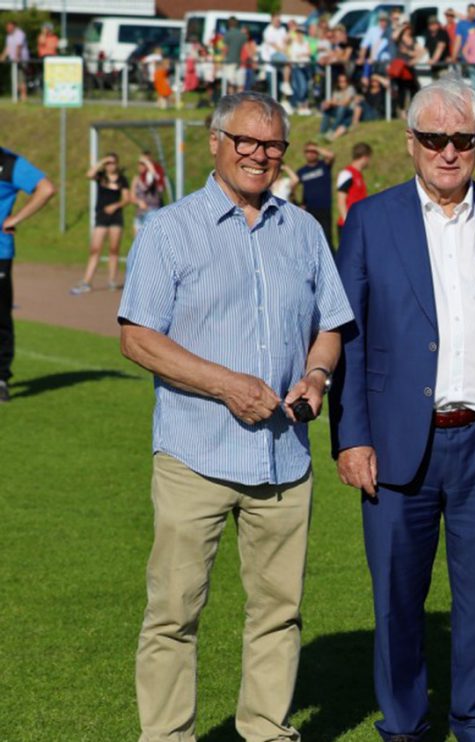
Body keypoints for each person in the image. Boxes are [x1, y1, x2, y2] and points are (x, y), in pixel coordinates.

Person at [120, 91, 353, 742]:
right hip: (195, 454)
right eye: (247, 141)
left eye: (273, 144)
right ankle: (166, 736)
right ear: (215, 140)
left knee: (279, 613)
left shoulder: (303, 230)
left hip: (283, 460)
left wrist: (316, 374)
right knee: (173, 614)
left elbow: (330, 326)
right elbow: (138, 337)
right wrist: (227, 386)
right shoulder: (169, 228)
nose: (260, 155)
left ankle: (267, 731)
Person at [330, 75, 475, 742]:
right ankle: (404, 727)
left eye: (462, 140)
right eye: (434, 139)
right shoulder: (370, 218)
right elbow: (348, 335)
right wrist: (350, 437)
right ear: (411, 142)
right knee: (396, 603)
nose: (448, 152)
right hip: (397, 446)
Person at [0, 146, 55, 402]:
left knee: (0, 316)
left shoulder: (9, 163)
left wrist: (15, 219)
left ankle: (1, 378)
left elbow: (46, 188)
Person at [72, 154, 130, 295]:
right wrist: (102, 161)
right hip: (102, 217)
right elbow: (89, 174)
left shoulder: (122, 179)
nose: (111, 165)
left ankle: (112, 280)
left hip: (116, 217)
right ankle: (87, 281)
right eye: (109, 163)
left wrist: (115, 206)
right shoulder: (101, 176)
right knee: (95, 249)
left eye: (113, 163)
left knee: (113, 249)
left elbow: (127, 198)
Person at [295, 142, 336, 244]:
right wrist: (297, 203)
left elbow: (331, 155)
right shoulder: (301, 171)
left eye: (313, 151)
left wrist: (316, 148)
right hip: (309, 210)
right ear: (304, 154)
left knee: (327, 240)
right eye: (308, 151)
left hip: (324, 208)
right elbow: (291, 186)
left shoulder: (324, 166)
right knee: (311, 240)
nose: (311, 154)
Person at [336, 141, 371, 238]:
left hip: (358, 224)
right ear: (365, 157)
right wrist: (348, 223)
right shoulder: (347, 174)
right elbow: (341, 201)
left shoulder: (358, 174)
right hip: (349, 225)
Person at [131, 152, 165, 237]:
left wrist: (147, 162)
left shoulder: (154, 177)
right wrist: (138, 202)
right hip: (140, 214)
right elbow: (132, 197)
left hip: (152, 211)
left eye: (144, 163)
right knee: (138, 244)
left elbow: (153, 176)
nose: (141, 166)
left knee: (151, 241)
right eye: (140, 163)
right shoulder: (136, 178)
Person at [2, 21, 29, 102]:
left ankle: (23, 96)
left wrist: (17, 57)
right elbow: (8, 47)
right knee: (15, 78)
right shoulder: (9, 36)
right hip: (13, 60)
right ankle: (16, 96)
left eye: (9, 27)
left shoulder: (20, 33)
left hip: (21, 59)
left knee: (21, 78)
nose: (8, 29)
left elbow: (19, 46)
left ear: (14, 26)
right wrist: (2, 56)